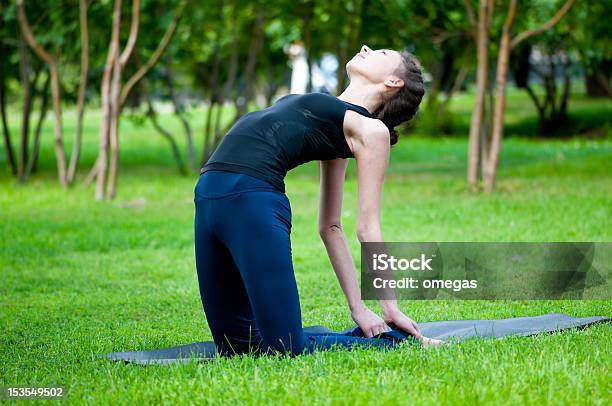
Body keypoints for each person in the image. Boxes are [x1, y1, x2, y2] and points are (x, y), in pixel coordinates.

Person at [194, 45, 444, 357]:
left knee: (285, 349)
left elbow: (367, 228)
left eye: (380, 52)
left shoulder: (371, 130)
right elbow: (330, 227)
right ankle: (340, 336)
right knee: (236, 348)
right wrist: (357, 308)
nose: (366, 48)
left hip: (251, 201)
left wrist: (386, 307)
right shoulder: (335, 116)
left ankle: (392, 340)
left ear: (393, 83)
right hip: (207, 197)